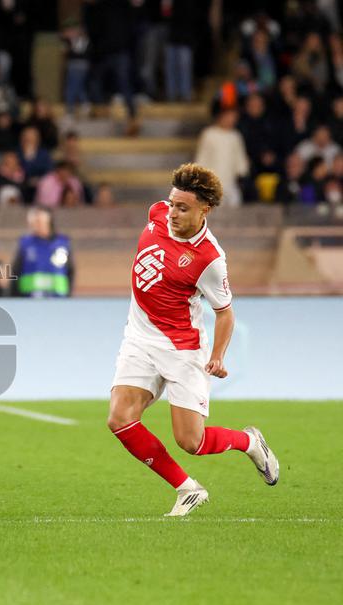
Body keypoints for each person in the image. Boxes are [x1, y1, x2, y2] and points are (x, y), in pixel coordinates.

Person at [107, 163, 279, 518]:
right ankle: (188, 488)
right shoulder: (157, 215)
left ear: (206, 210)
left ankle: (248, 441)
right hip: (139, 338)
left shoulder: (210, 260)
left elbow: (225, 312)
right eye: (172, 203)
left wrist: (217, 356)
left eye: (183, 208)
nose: (172, 213)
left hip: (182, 349)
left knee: (191, 442)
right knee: (120, 418)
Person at [10, 207, 74, 298]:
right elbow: (15, 271)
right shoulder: (25, 243)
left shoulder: (62, 243)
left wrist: (69, 296)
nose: (35, 224)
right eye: (33, 221)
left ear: (48, 221)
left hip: (58, 299)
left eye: (39, 221)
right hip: (29, 299)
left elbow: (70, 271)